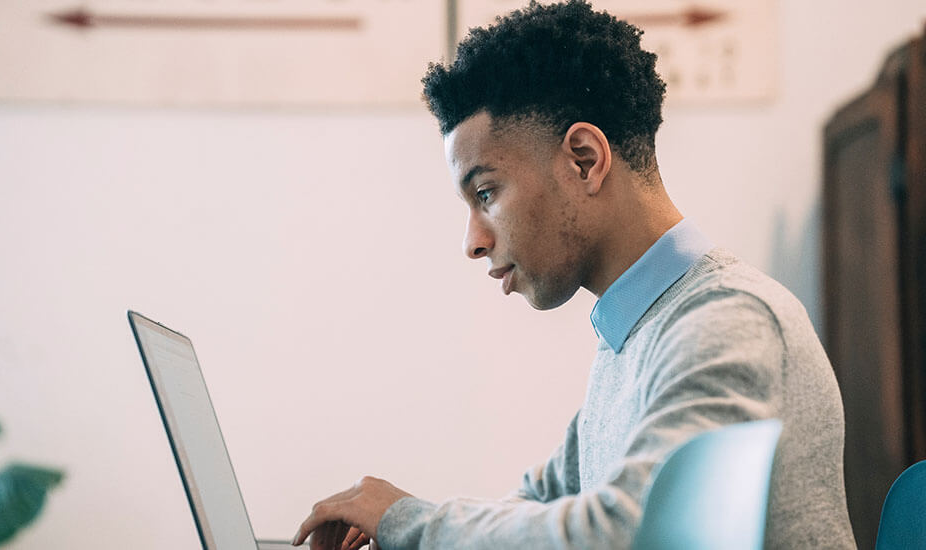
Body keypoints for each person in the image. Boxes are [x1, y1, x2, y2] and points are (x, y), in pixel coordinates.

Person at [292, 1, 857, 548]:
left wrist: (406, 522)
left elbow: (631, 533)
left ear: (584, 159)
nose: (473, 241)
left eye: (486, 193)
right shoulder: (634, 336)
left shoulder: (727, 320)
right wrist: (401, 527)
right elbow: (538, 505)